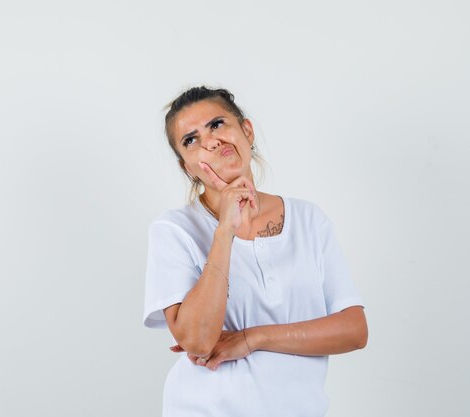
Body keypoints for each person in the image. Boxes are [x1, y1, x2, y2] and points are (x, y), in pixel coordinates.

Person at [143, 86, 368, 417]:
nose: (209, 141)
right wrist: (225, 231)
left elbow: (353, 330)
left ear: (246, 131)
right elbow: (199, 341)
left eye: (217, 124)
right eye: (191, 140)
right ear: (186, 166)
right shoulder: (173, 230)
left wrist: (253, 337)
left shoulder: (308, 220)